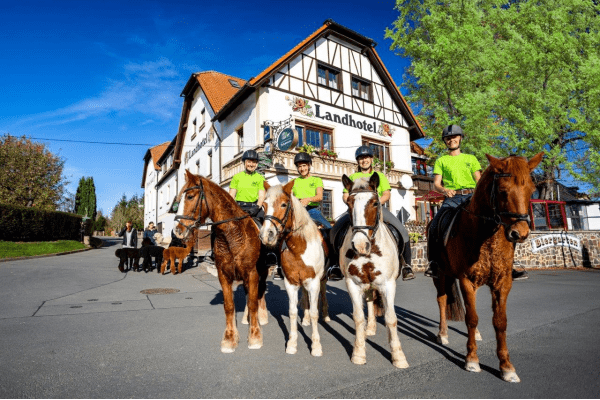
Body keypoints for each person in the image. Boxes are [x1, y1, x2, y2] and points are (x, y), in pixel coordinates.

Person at [424, 124, 528, 281]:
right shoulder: (441, 160)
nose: (451, 140)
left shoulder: (470, 158)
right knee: (434, 225)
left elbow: (479, 181)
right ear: (445, 141)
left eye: (454, 137)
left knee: (500, 223)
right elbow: (436, 184)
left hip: (472, 196)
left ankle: (509, 265)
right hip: (452, 199)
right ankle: (434, 263)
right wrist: (445, 190)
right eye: (448, 138)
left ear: (460, 138)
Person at [330, 145, 416, 281]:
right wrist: (351, 204)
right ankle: (335, 265)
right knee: (335, 230)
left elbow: (386, 194)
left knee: (402, 231)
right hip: (356, 211)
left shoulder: (379, 176)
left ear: (371, 159)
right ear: (358, 161)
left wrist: (375, 204)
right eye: (361, 158)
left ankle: (406, 265)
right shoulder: (353, 176)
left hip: (376, 209)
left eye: (366, 157)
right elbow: (345, 195)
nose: (364, 160)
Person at [291, 152, 332, 229]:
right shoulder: (294, 181)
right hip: (297, 211)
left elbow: (319, 197)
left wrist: (308, 199)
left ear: (309, 165)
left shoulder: (317, 180)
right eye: (299, 166)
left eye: (304, 165)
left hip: (312, 210)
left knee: (329, 228)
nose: (302, 169)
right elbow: (289, 196)